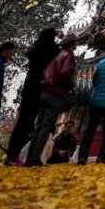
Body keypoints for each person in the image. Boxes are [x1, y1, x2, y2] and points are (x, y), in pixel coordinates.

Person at [5, 28, 60, 165]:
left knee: (22, 123)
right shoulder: (52, 50)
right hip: (42, 87)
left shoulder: (34, 50)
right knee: (38, 123)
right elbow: (59, 52)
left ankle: (11, 157)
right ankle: (31, 158)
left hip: (29, 85)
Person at [25, 34, 78, 167]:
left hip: (44, 91)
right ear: (73, 43)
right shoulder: (69, 54)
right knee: (47, 126)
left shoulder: (58, 54)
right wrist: (70, 84)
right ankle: (36, 158)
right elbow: (65, 72)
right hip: (56, 93)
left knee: (39, 126)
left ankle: (29, 158)